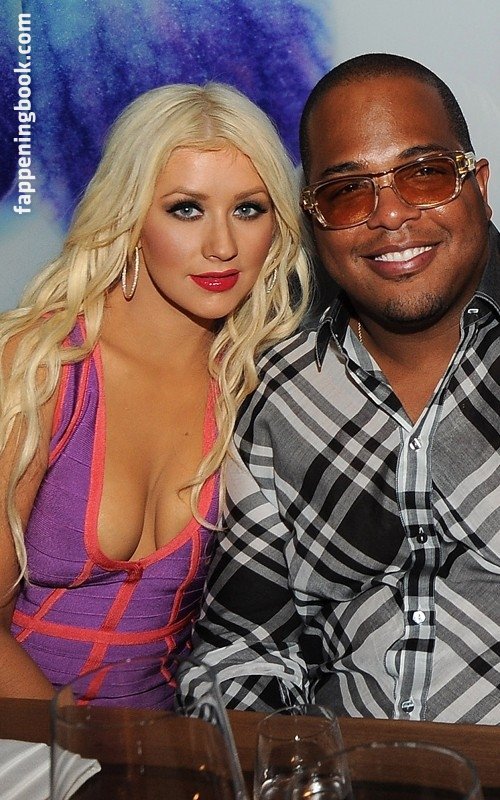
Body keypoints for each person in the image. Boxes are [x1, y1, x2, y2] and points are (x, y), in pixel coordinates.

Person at [188, 54, 500, 723]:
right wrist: (283, 763)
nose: (390, 215)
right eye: (347, 192)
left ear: (477, 184)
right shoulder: (279, 394)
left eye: (424, 174)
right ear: (314, 222)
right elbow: (240, 650)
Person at [0, 82, 310, 706]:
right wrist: (79, 750)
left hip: (169, 739)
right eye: (186, 209)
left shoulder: (252, 383)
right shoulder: (42, 367)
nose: (222, 246)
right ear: (131, 215)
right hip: (28, 740)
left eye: (249, 209)